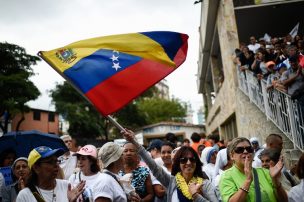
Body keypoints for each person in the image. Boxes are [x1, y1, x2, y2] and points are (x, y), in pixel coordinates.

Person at [122, 129, 218, 202]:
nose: (188, 163)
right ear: (178, 164)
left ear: (196, 162)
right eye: (184, 160)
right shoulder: (172, 182)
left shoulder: (205, 184)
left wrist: (196, 196)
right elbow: (154, 167)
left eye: (192, 159)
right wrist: (134, 141)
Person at [219, 137, 288, 202]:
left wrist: (275, 180)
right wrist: (248, 181)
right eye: (240, 150)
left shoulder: (265, 172)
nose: (245, 152)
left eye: (249, 149)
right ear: (232, 156)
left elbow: (284, 200)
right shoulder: (227, 176)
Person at [16, 146, 85, 202]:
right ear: (36, 168)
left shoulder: (66, 186)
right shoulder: (24, 195)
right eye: (50, 162)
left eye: (57, 161)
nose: (56, 165)